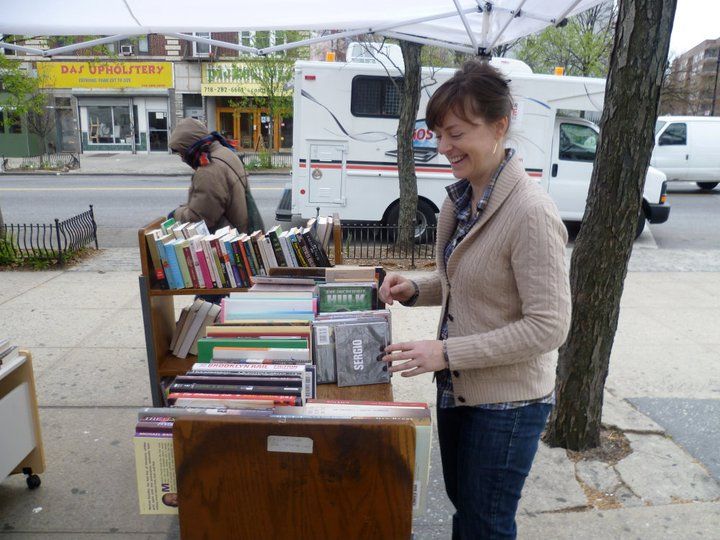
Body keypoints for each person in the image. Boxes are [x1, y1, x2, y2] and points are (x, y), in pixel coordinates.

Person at [379, 60, 571, 540]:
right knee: (466, 511)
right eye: (439, 134)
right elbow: (467, 279)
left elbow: (549, 326)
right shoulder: (459, 199)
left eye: (456, 133)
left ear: (499, 126)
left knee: (485, 524)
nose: (444, 147)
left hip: (507, 405)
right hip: (456, 389)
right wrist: (417, 287)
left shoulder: (531, 212)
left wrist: (444, 352)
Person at [168, 118, 249, 234]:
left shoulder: (209, 169)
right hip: (240, 230)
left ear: (190, 148)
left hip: (228, 241)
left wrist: (175, 214)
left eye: (181, 152)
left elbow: (200, 218)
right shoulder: (225, 152)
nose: (182, 158)